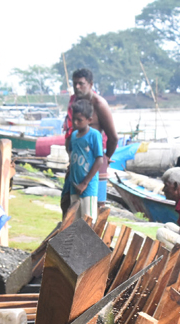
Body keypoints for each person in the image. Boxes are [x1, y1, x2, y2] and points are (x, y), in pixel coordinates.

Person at [61, 68, 118, 216]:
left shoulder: (99, 104)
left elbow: (113, 137)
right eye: (74, 84)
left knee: (94, 209)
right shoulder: (74, 102)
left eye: (81, 84)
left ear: (91, 84)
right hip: (76, 162)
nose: (77, 87)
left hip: (94, 161)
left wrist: (105, 158)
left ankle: (91, 238)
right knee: (67, 203)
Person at [65, 99, 104, 221]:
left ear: (89, 120)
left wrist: (85, 183)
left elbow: (99, 160)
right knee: (74, 223)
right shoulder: (74, 136)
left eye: (80, 120)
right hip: (74, 186)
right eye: (73, 119)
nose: (76, 123)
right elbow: (71, 154)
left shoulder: (94, 135)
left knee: (88, 224)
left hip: (88, 188)